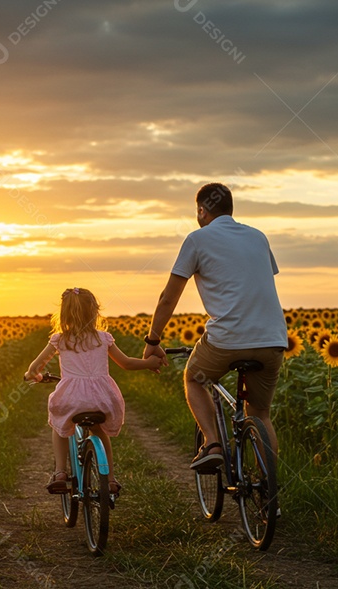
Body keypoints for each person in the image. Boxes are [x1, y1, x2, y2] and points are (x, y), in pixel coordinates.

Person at [143, 183, 288, 472]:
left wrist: (153, 339)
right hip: (273, 339)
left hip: (226, 340)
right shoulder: (258, 237)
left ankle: (212, 443)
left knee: (194, 379)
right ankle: (269, 494)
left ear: (201, 211)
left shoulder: (197, 239)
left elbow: (168, 298)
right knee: (261, 413)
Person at [25, 287, 163, 494]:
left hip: (71, 399)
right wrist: (149, 362)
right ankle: (111, 479)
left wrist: (32, 375)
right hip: (103, 399)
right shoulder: (103, 338)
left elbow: (36, 366)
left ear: (63, 313)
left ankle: (60, 472)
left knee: (60, 426)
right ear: (95, 312)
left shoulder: (60, 340)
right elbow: (126, 363)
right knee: (100, 431)